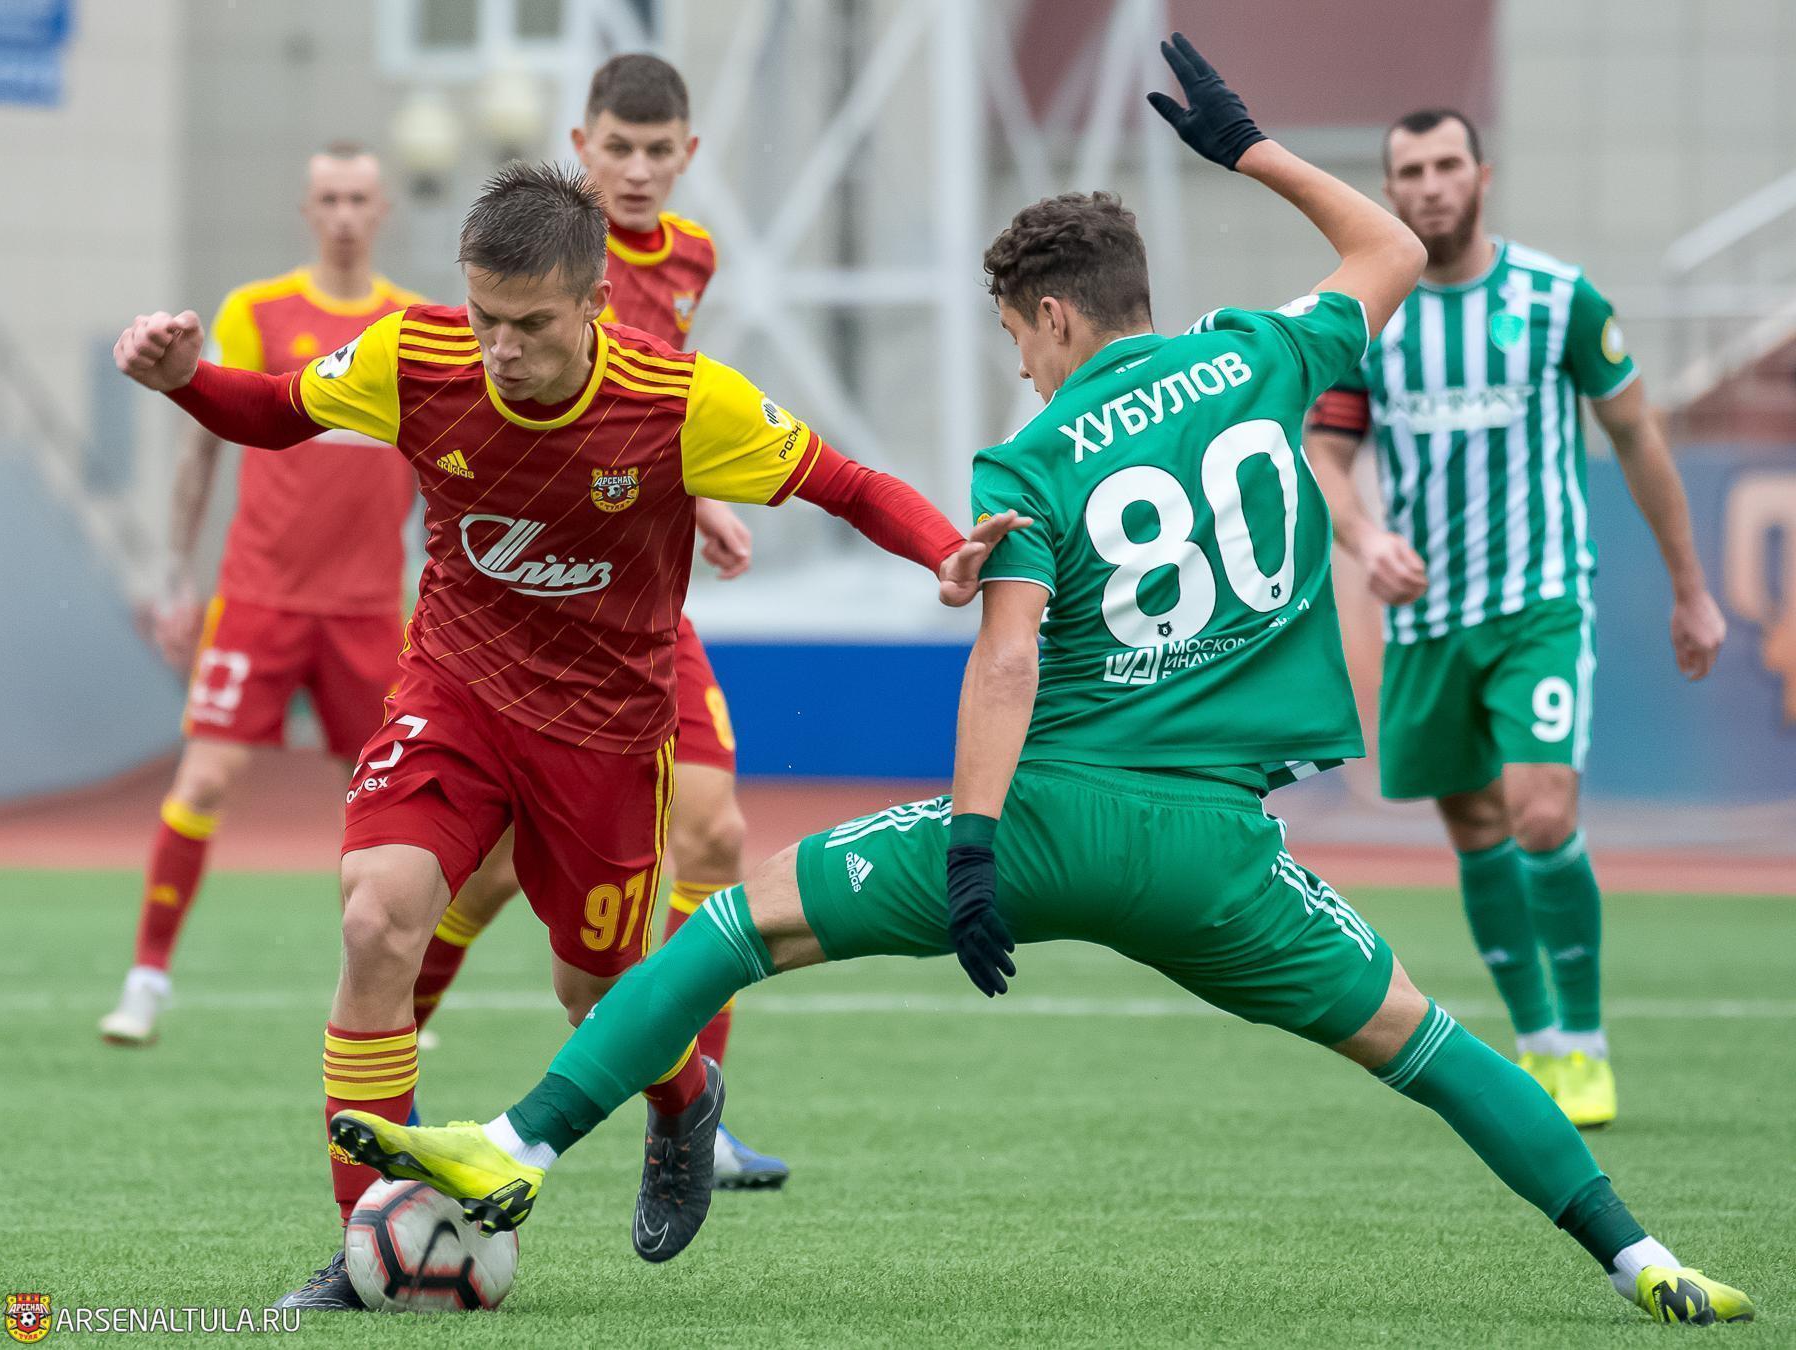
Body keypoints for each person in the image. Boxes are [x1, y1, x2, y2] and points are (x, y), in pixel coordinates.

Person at [326, 38, 1752, 1325]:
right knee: (1428, 1044)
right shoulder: (1266, 354)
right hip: (1220, 859)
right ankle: (1641, 1257)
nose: (1018, 366)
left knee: (730, 926)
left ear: (1056, 319)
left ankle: (514, 1144)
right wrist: (1251, 149)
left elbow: (1008, 658)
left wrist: (970, 844)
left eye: (1014, 337)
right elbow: (1386, 241)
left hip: (1048, 823)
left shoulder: (1035, 458)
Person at [113, 160, 1016, 1309]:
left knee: (595, 995)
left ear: (594, 303)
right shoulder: (414, 355)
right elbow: (279, 412)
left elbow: (845, 483)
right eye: (484, 317)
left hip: (604, 738)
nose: (500, 347)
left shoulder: (680, 402)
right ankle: (369, 1247)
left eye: (531, 324)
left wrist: (943, 549)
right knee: (375, 919)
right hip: (453, 697)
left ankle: (685, 1101)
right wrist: (187, 381)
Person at [1303, 108, 1728, 1128]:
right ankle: (1539, 1042)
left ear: (1482, 176)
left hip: (1539, 601)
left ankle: (1584, 1043)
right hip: (1426, 618)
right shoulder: (1370, 317)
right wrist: (1365, 539)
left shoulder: (1558, 299)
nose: (1431, 184)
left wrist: (1691, 587)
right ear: (1390, 190)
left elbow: (1636, 436)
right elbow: (1327, 455)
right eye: (1411, 171)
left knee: (1541, 813)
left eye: (1448, 164)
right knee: (1476, 828)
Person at [408, 52, 787, 1189]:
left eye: (656, 150)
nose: (635, 169)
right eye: (615, 147)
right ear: (581, 147)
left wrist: (702, 501)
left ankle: (700, 1116)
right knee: (490, 874)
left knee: (713, 836)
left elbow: (656, 405)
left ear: (687, 155)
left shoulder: (692, 257)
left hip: (635, 605)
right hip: (530, 607)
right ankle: (394, 1048)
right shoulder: (541, 258)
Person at [100, 144, 423, 1047]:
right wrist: (176, 573)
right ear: (308, 209)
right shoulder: (257, 310)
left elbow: (442, 469)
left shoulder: (411, 327)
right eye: (331, 198)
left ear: (382, 209)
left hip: (370, 608)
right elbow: (204, 439)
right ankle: (146, 980)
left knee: (388, 802)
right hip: (259, 597)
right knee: (205, 777)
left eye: (359, 198)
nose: (345, 214)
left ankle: (389, 994)